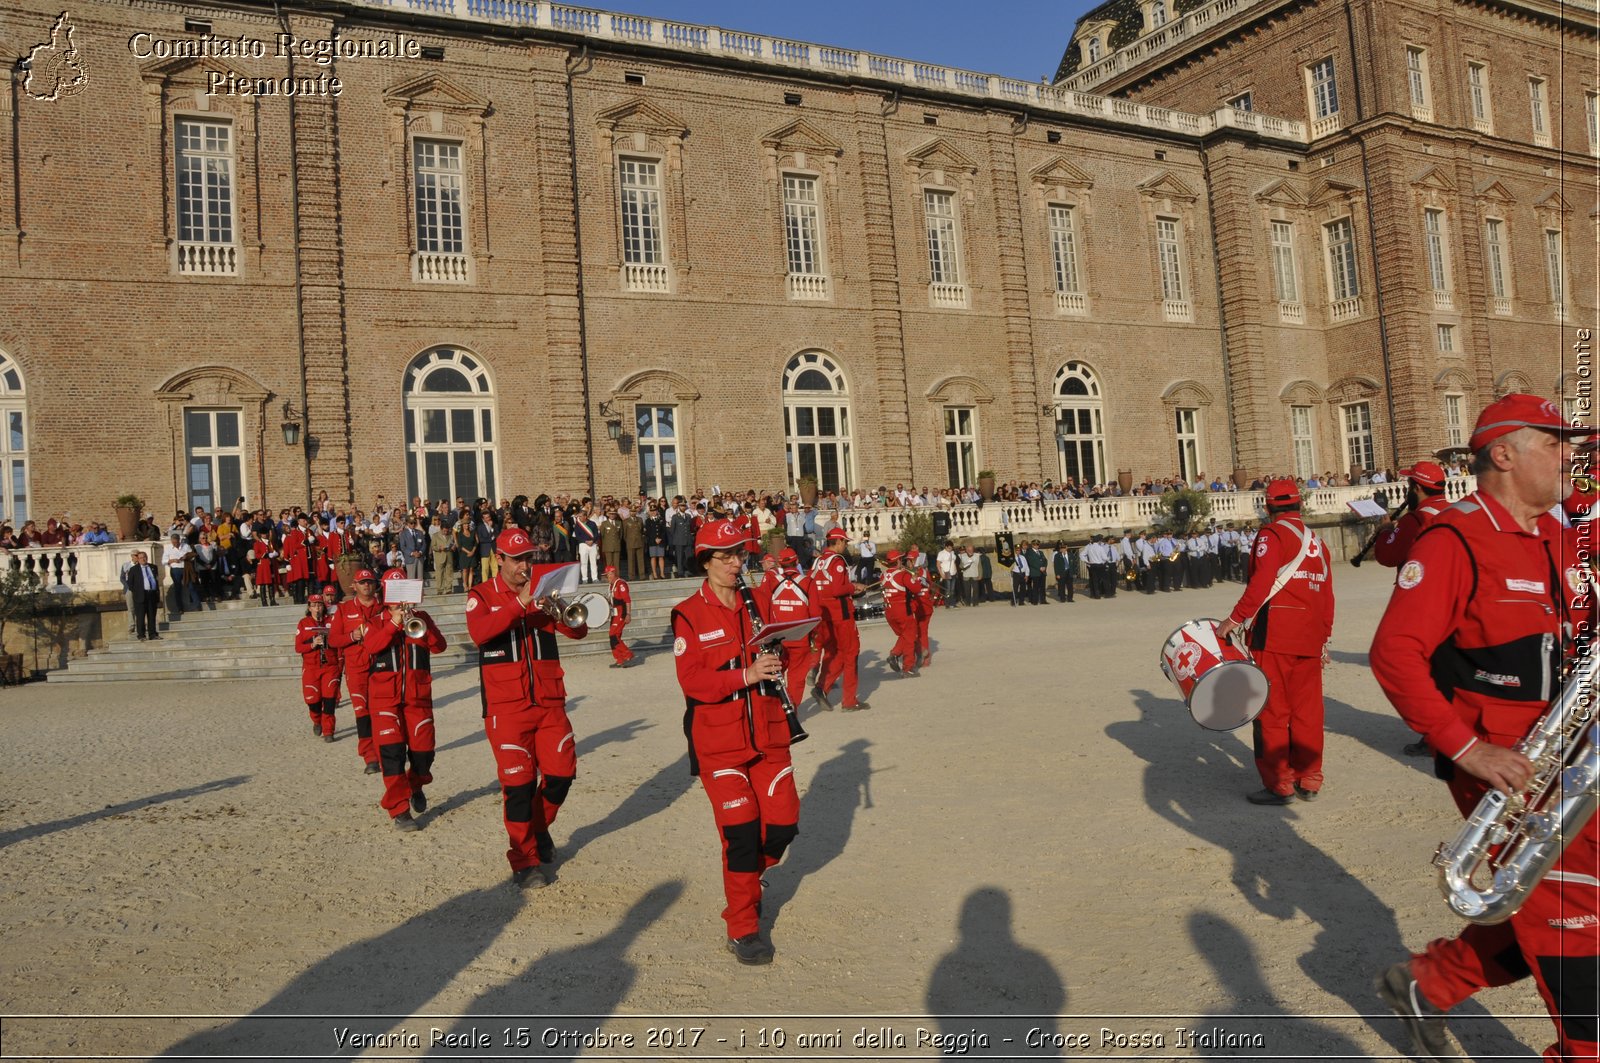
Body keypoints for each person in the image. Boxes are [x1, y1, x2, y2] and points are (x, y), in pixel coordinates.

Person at [1369, 394, 1596, 1062]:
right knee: (1572, 915)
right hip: (1512, 768)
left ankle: (1427, 985)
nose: (1571, 455)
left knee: (1554, 898)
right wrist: (1469, 749)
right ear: (1503, 453)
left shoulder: (1556, 532)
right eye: (1555, 443)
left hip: (1569, 754)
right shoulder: (1455, 539)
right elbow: (1394, 654)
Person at [670, 519, 800, 965]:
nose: (735, 563)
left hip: (769, 731)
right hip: (720, 742)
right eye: (725, 556)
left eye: (739, 555)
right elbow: (692, 681)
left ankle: (749, 877)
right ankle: (743, 927)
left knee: (783, 826)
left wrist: (781, 653)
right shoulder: (688, 612)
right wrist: (744, 674)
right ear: (704, 560)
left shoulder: (759, 600)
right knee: (741, 837)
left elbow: (792, 647)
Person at [466, 528, 588, 889]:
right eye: (517, 559)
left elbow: (577, 632)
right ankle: (524, 860)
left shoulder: (542, 591)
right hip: (507, 707)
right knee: (518, 788)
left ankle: (538, 828)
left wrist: (562, 605)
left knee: (562, 774)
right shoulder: (481, 595)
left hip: (549, 701)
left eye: (528, 558)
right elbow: (480, 633)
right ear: (499, 559)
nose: (524, 566)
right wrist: (519, 603)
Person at [1216, 479, 1334, 804]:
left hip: (1276, 634)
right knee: (1308, 712)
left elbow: (1261, 581)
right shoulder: (1318, 543)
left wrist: (1235, 619)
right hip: (1310, 637)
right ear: (1300, 505)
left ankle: (1280, 784)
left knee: (1272, 712)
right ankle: (1310, 778)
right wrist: (1324, 639)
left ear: (1268, 507)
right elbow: (1327, 596)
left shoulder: (1272, 535)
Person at [1370, 459, 1453, 757]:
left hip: (1425, 603)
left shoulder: (1413, 520)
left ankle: (1435, 736)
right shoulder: (1457, 511)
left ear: (1416, 488)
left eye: (1409, 486)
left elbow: (1387, 556)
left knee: (1424, 670)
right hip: (1456, 598)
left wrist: (1384, 532)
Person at [361, 568, 446, 831]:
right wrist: (394, 622)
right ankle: (399, 810)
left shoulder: (422, 618)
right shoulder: (375, 622)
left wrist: (419, 624)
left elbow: (439, 646)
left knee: (424, 754)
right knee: (392, 756)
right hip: (385, 700)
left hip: (418, 697)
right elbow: (371, 647)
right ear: (384, 594)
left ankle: (415, 785)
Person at [327, 568, 385, 774]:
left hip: (382, 666)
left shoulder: (385, 607)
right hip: (357, 669)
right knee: (362, 713)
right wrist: (351, 637)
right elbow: (333, 640)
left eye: (369, 581)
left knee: (382, 712)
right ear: (354, 585)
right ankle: (370, 756)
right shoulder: (344, 610)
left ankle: (385, 752)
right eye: (362, 582)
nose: (366, 585)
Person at [810, 527, 869, 711]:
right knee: (851, 653)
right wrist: (854, 587)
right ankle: (849, 700)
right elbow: (837, 589)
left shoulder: (818, 561)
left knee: (834, 653)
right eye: (845, 542)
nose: (846, 545)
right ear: (839, 541)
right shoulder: (837, 561)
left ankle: (822, 687)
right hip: (840, 614)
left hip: (823, 614)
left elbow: (810, 585)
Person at [294, 594, 342, 742]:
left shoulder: (332, 621)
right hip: (311, 667)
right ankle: (316, 720)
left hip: (330, 666)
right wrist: (312, 643)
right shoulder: (303, 623)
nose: (317, 608)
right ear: (309, 608)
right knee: (312, 700)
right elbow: (298, 647)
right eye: (314, 605)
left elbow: (340, 642)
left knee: (329, 700)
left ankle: (329, 731)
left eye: (319, 605)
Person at [124, 550, 161, 641]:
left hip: (151, 594)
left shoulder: (153, 567)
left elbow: (156, 579)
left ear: (146, 557)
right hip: (140, 595)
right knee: (140, 616)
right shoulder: (134, 569)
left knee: (152, 615)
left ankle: (152, 634)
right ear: (138, 559)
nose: (143, 559)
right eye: (141, 558)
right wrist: (137, 592)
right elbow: (130, 583)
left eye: (144, 557)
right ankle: (141, 635)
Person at [605, 563, 634, 668]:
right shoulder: (612, 585)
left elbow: (627, 600)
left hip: (621, 613)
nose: (607, 577)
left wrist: (628, 614)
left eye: (608, 574)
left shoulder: (621, 584)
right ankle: (619, 659)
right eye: (606, 575)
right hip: (614, 614)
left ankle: (627, 654)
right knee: (613, 636)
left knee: (613, 635)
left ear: (613, 574)